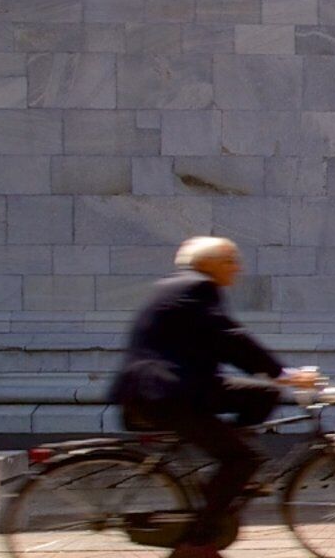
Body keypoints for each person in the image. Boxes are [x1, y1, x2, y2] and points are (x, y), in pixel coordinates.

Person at [111, 236, 309, 558]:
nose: (238, 268)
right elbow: (229, 338)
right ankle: (197, 543)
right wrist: (283, 374)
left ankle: (222, 479)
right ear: (208, 264)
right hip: (169, 394)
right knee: (243, 459)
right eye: (230, 260)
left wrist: (272, 377)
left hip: (166, 389)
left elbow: (218, 342)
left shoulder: (177, 287)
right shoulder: (198, 288)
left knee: (262, 397)